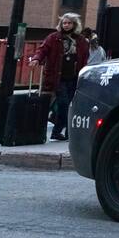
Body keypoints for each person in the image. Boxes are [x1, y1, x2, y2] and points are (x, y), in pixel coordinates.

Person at [35, 12, 89, 141]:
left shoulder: (81, 40)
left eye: (69, 23)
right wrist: (37, 59)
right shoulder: (53, 38)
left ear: (74, 24)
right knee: (64, 104)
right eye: (64, 23)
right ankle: (60, 130)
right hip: (58, 78)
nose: (66, 25)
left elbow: (85, 58)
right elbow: (42, 50)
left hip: (74, 77)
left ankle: (60, 132)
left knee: (71, 106)